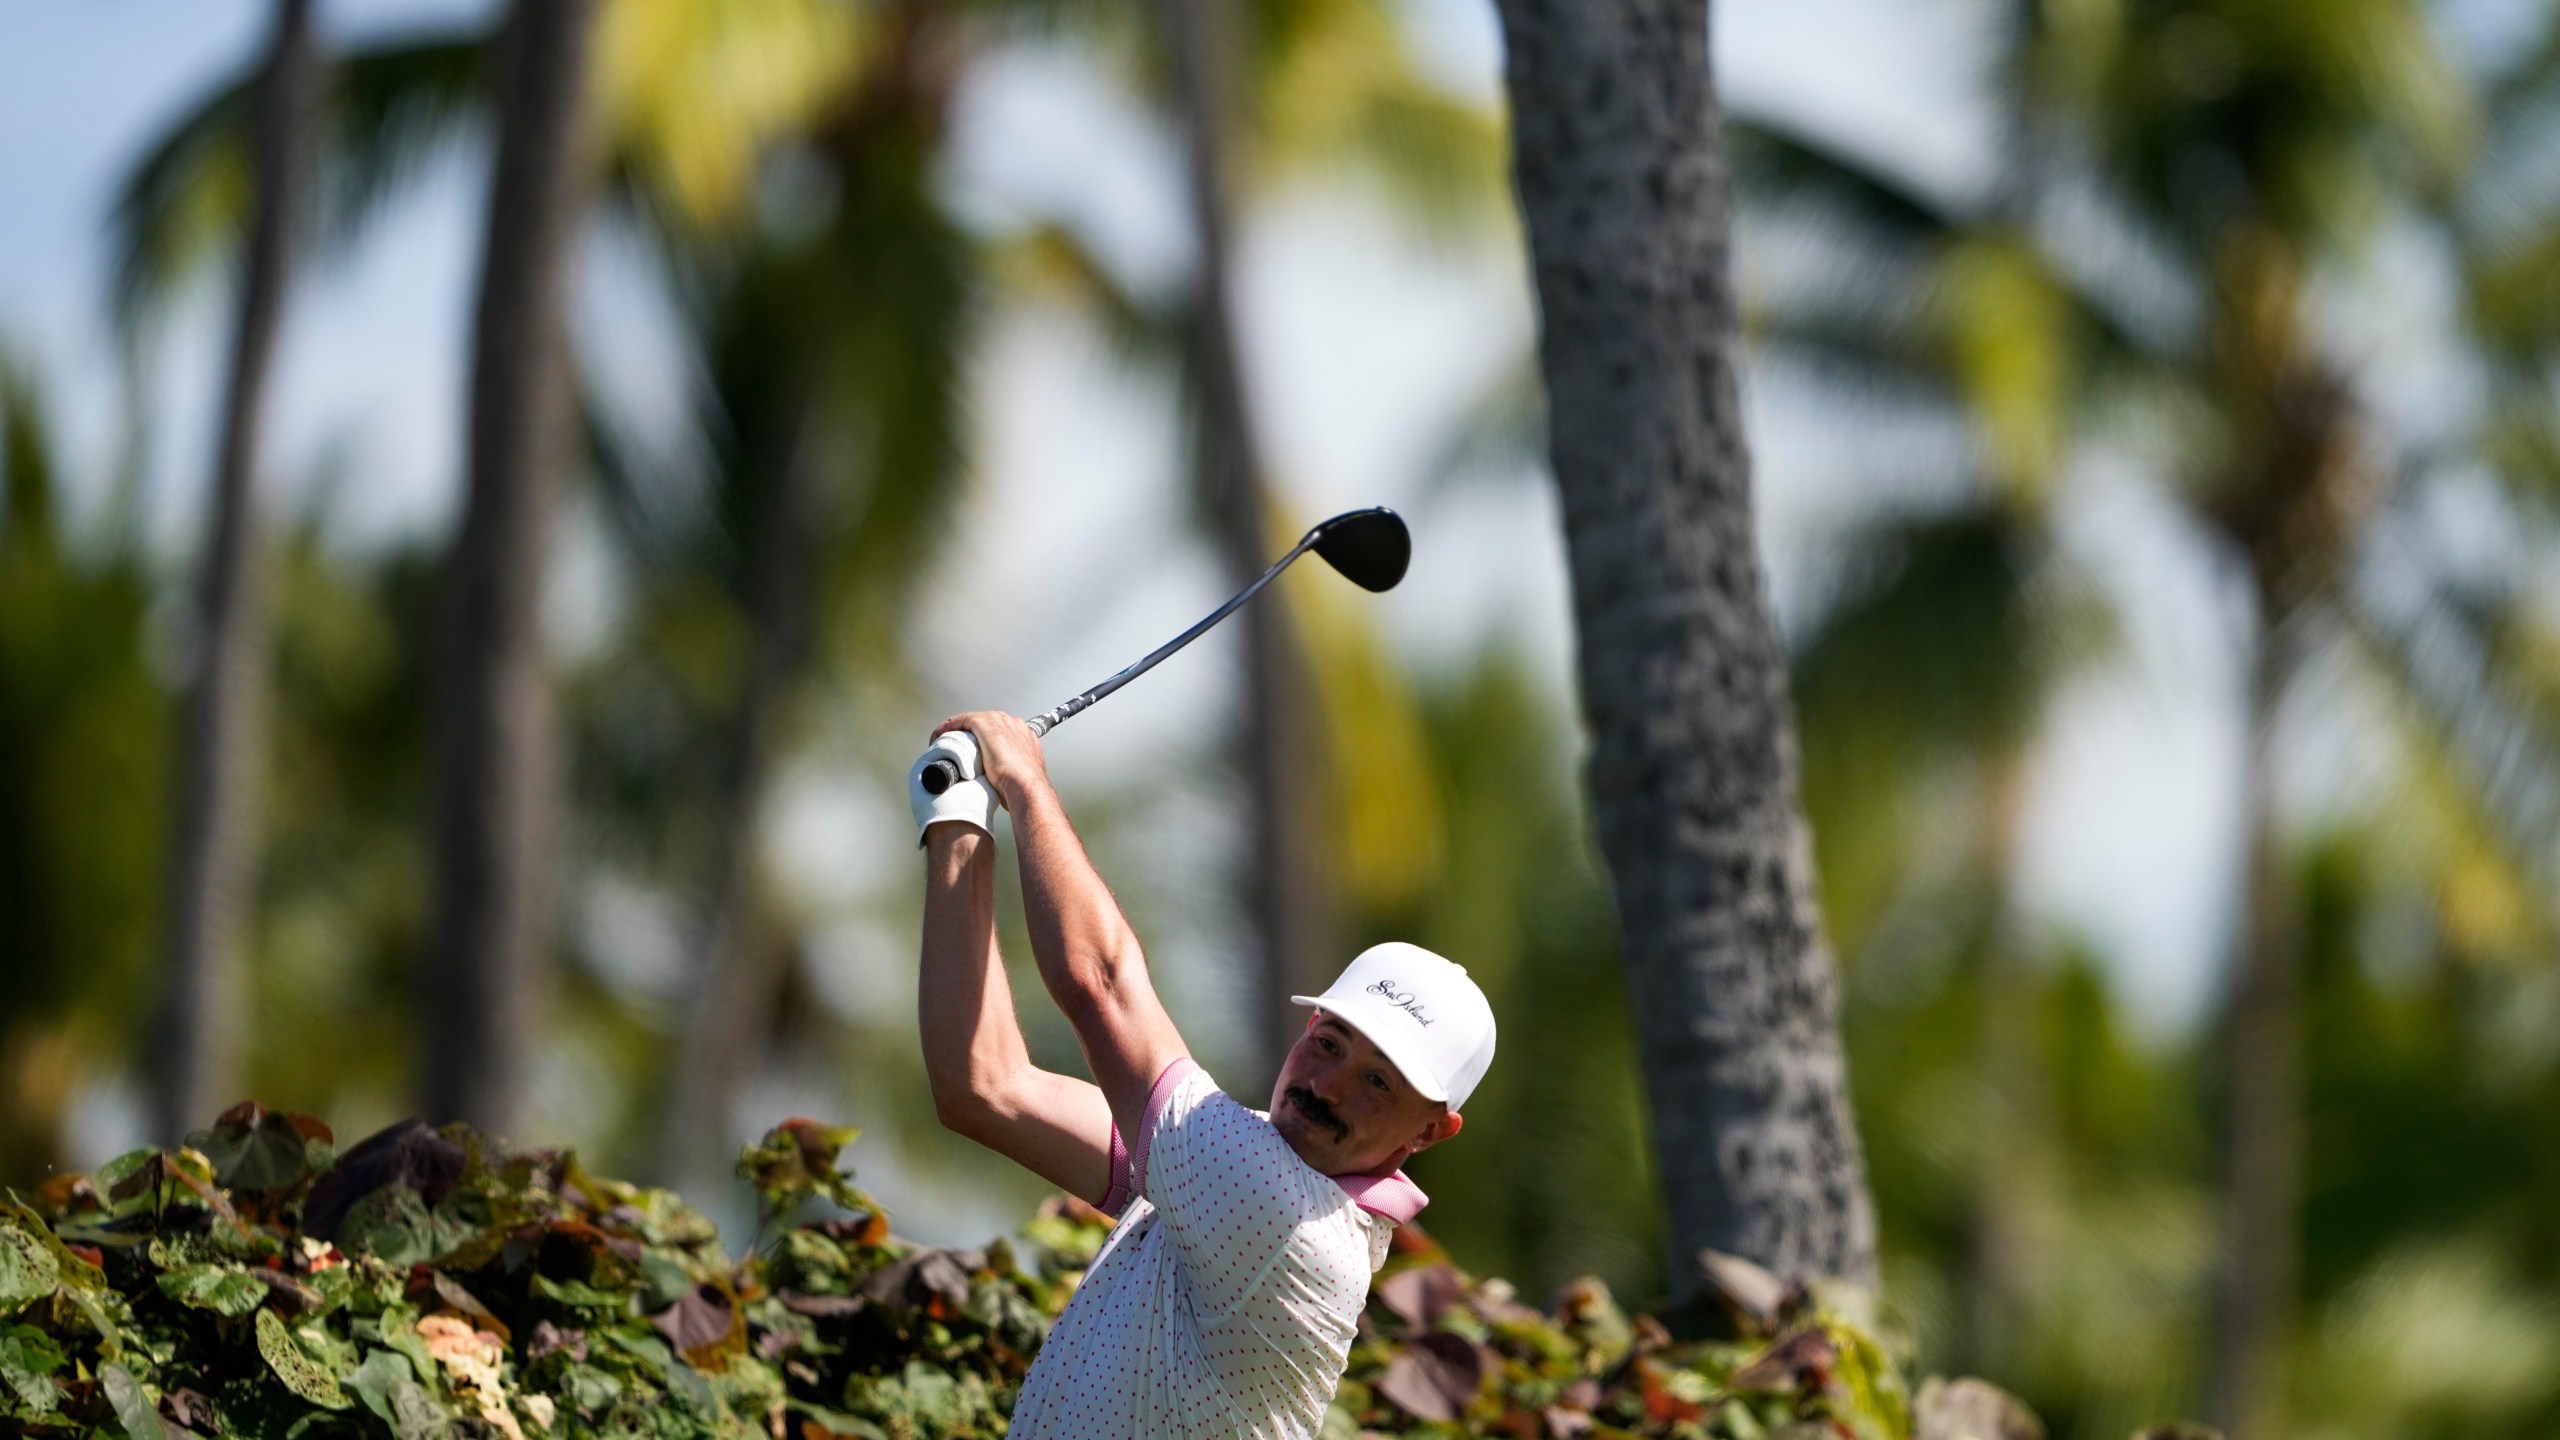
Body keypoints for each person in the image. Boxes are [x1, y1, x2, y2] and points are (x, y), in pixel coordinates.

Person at [908, 711, 1497, 1440]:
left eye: (1380, 1082)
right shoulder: (1230, 1167)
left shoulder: (1283, 1218)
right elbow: (985, 1086)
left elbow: (1101, 984)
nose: (1330, 1086)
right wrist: (956, 818)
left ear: (1433, 1132)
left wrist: (1024, 779)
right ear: (1309, 1027)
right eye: (1334, 1042)